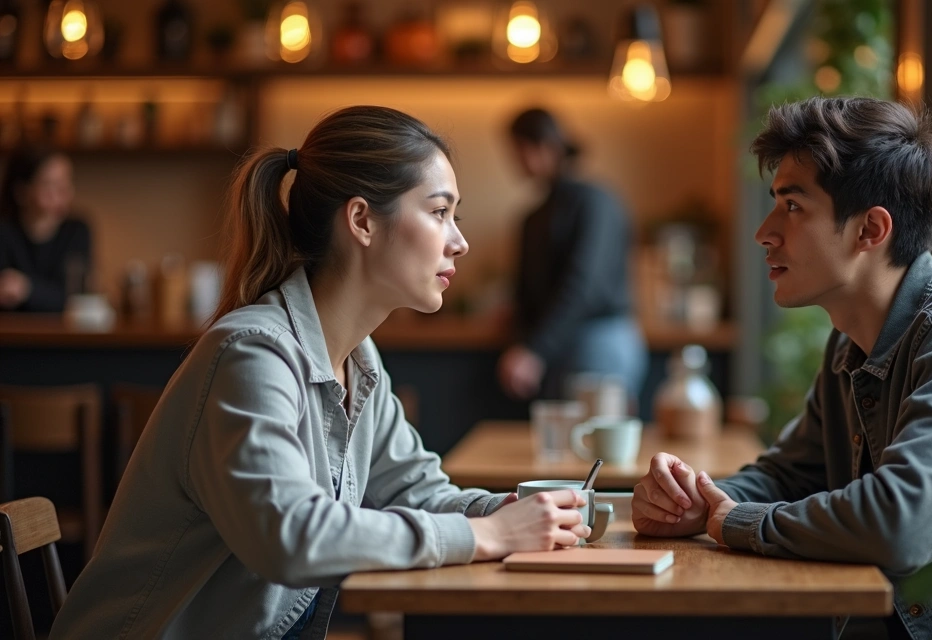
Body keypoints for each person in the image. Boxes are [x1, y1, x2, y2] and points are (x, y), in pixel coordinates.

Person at [50, 106, 592, 640]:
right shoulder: (251, 355)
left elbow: (417, 491)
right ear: (361, 221)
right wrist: (485, 535)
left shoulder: (359, 358)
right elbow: (291, 536)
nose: (459, 241)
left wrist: (511, 512)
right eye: (438, 212)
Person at [632, 97, 932, 640]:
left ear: (870, 230)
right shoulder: (851, 342)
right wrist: (691, 498)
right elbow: (789, 475)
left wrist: (735, 520)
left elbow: (901, 524)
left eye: (793, 206)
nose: (765, 231)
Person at [497, 107, 646, 403]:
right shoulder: (533, 216)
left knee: (596, 446)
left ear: (546, 146)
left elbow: (584, 285)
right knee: (562, 444)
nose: (515, 161)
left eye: (519, 149)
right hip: (555, 345)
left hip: (598, 341)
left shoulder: (594, 203)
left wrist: (535, 349)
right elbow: (526, 290)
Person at [0, 146, 92, 312]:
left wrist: (27, 289)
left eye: (66, 182)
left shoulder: (77, 231)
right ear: (21, 192)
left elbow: (77, 299)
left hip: (65, 336)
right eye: (51, 185)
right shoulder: (4, 232)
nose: (64, 193)